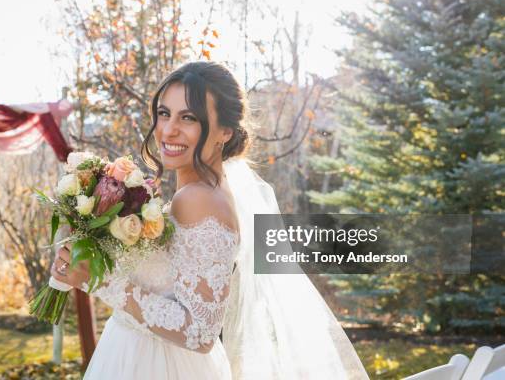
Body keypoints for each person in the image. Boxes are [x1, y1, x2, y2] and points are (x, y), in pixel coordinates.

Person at [51, 61, 369, 379]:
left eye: (188, 117)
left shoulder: (199, 199)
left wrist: (101, 281)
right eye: (164, 113)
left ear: (225, 132)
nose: (169, 129)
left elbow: (200, 332)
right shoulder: (200, 192)